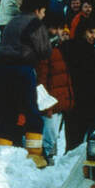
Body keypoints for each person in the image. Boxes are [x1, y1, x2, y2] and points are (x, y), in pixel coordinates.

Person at [0, 0, 52, 167]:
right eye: (44, 11)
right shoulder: (35, 23)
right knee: (32, 113)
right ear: (39, 9)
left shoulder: (11, 22)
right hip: (21, 70)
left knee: (8, 115)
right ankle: (35, 157)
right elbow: (44, 51)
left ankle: (1, 155)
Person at [36, 14, 74, 164]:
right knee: (48, 138)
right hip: (49, 104)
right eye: (55, 28)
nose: (58, 31)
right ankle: (45, 164)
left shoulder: (60, 47)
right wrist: (46, 105)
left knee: (54, 137)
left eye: (60, 28)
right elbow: (41, 80)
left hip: (60, 102)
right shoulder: (44, 49)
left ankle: (49, 162)